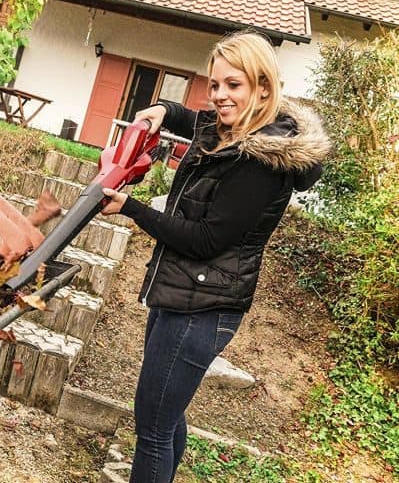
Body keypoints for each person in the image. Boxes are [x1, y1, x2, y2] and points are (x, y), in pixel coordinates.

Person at [101, 31, 331, 483]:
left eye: (234, 85)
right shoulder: (232, 130)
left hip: (202, 309)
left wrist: (131, 207)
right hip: (183, 295)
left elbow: (206, 241)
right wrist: (163, 110)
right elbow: (194, 120)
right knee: (166, 416)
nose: (220, 95)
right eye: (215, 84)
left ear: (263, 87)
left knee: (153, 427)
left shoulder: (262, 163)